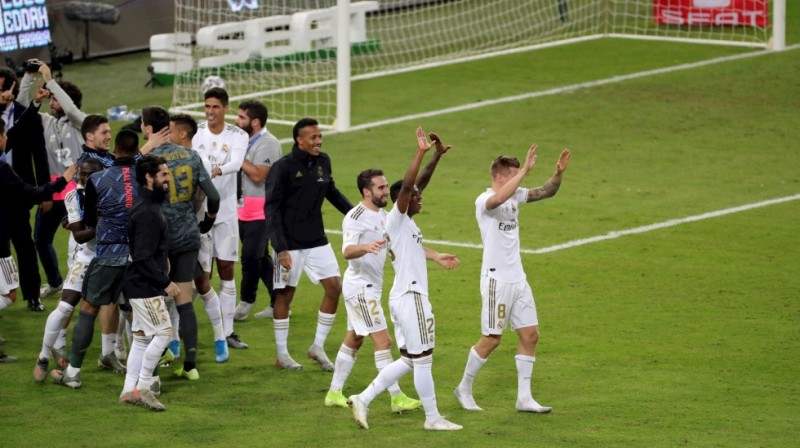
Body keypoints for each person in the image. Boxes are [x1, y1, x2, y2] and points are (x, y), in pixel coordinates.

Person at [348, 127, 462, 431]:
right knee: (423, 359)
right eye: (414, 196)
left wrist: (436, 156)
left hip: (402, 298)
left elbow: (417, 184)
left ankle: (363, 397)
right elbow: (410, 183)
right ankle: (433, 418)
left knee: (411, 359)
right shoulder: (396, 218)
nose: (420, 198)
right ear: (403, 200)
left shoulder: (404, 223)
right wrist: (420, 152)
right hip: (412, 298)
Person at [453, 145, 570, 413]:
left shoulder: (515, 194)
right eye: (515, 174)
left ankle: (524, 398)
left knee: (530, 335)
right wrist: (526, 171)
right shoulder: (484, 201)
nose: (521, 179)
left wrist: (558, 173)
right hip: (497, 281)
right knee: (492, 338)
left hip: (518, 279)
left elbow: (546, 191)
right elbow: (497, 201)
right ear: (500, 177)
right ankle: (464, 388)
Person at [323, 168, 422, 413]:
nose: (386, 191)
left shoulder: (384, 215)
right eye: (380, 187)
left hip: (371, 287)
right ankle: (396, 397)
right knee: (383, 340)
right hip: (361, 288)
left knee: (355, 338)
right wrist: (366, 247)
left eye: (386, 186)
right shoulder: (355, 217)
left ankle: (334, 392)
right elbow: (347, 251)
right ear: (367, 191)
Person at [50, 130, 141, 388]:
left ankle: (73, 374)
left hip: (108, 256)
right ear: (136, 151)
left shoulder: (98, 179)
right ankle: (143, 377)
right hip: (137, 258)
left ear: (116, 151)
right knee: (136, 314)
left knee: (88, 310)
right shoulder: (144, 177)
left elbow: (89, 221)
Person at [264, 117, 352, 370]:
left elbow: (331, 192)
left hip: (316, 240)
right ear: (299, 140)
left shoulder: (324, 161)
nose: (319, 141)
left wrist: (358, 214)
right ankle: (282, 354)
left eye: (320, 136)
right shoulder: (283, 167)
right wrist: (280, 248)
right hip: (288, 244)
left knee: (334, 287)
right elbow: (271, 209)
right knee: (285, 295)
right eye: (313, 138)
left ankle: (317, 347)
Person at [140, 107, 220, 380]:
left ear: (148, 128)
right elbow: (214, 196)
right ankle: (191, 365)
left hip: (156, 239)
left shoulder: (147, 160)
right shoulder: (190, 155)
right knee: (185, 303)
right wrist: (207, 222)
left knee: (151, 301)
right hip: (187, 236)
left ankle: (148, 363)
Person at [0, 117, 76, 362]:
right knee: (8, 294)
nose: (5, 140)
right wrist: (62, 182)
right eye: (3, 136)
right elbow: (27, 192)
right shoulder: (1, 169)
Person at [18, 61, 87, 299]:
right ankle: (56, 281)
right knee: (41, 239)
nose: (52, 101)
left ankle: (85, 281)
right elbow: (23, 106)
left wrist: (50, 80)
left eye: (55, 99)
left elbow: (69, 109)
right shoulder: (46, 122)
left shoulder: (81, 122)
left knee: (82, 240)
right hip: (52, 190)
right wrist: (28, 77)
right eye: (51, 99)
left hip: (78, 192)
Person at [118, 154, 180, 411]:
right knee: (164, 333)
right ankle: (143, 387)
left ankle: (127, 390)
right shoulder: (147, 213)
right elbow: (142, 256)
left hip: (139, 283)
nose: (168, 179)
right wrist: (165, 282)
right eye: (164, 175)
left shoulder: (149, 207)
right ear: (149, 177)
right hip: (144, 285)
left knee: (142, 338)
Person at [33, 158, 104, 382]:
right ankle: (44, 356)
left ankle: (123, 357)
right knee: (66, 306)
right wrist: (103, 224)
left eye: (89, 176)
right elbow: (79, 235)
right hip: (88, 255)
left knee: (129, 307)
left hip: (114, 255)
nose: (84, 180)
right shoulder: (74, 196)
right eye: (82, 176)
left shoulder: (107, 191)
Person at [192, 87, 249, 354]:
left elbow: (237, 163)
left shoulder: (238, 134)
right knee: (202, 275)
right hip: (200, 211)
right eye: (207, 107)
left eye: (215, 107)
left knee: (227, 269)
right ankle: (190, 330)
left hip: (225, 212)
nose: (210, 112)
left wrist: (215, 170)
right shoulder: (197, 132)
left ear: (225, 108)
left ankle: (227, 333)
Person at [0, 70, 50, 311]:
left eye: (5, 89)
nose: (3, 94)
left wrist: (44, 191)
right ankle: (5, 294)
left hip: (17, 190)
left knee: (24, 243)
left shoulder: (26, 116)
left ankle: (32, 295)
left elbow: (39, 154)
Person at [231, 100, 281, 321]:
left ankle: (246, 300)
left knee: (250, 257)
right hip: (242, 208)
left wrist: (237, 157)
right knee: (260, 258)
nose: (236, 121)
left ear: (255, 122)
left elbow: (260, 175)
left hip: (261, 210)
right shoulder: (246, 141)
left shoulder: (268, 143)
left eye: (241, 117)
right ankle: (279, 302)